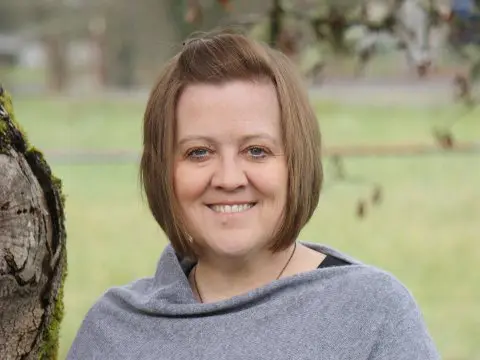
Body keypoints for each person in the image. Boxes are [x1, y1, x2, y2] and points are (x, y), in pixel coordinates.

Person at [67, 29, 439, 360]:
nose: (229, 178)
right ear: (163, 172)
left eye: (256, 151)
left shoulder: (372, 314)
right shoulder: (114, 332)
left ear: (296, 163)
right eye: (199, 152)